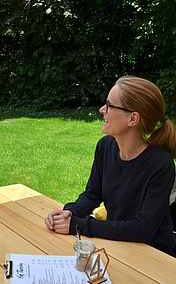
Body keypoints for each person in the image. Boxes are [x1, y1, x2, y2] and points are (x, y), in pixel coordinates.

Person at [45, 76, 176, 257]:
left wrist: (79, 225)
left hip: (154, 254)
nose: (101, 110)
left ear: (133, 118)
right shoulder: (105, 147)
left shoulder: (161, 164)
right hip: (118, 244)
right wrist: (69, 212)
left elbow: (143, 229)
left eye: (109, 106)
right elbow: (93, 194)